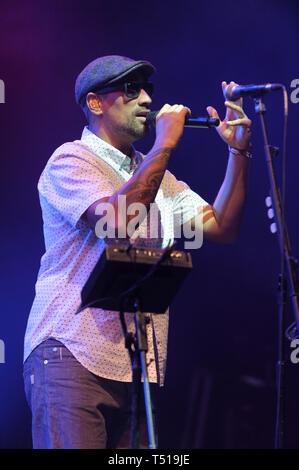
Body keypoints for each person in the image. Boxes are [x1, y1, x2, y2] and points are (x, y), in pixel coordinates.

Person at [23, 55, 252, 449]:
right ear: (95, 103)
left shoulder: (156, 174)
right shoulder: (70, 160)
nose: (146, 99)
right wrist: (166, 142)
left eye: (147, 89)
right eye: (131, 89)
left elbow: (222, 227)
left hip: (137, 367)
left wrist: (239, 153)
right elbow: (115, 222)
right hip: (72, 354)